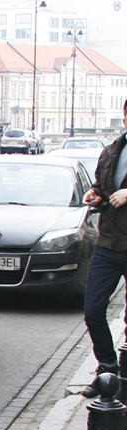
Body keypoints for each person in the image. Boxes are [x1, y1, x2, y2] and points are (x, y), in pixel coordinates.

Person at [80, 98, 127, 397]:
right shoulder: (112, 150)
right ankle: (107, 368)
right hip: (109, 243)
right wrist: (93, 194)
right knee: (93, 310)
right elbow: (102, 186)